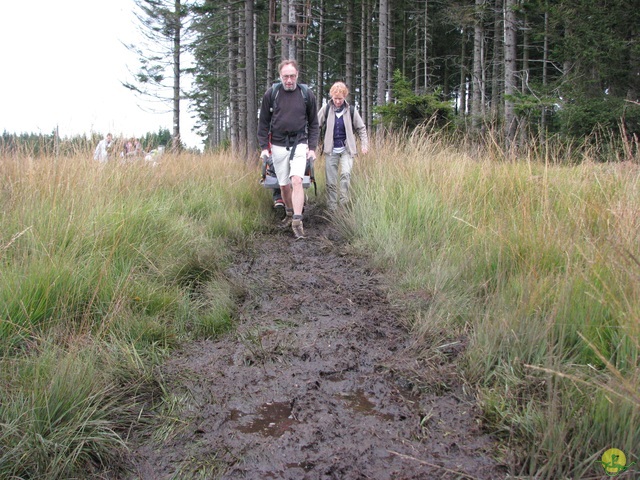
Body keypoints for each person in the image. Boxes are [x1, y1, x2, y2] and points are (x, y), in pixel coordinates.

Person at [258, 59, 319, 239]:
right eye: (286, 76)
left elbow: (314, 124)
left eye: (292, 76)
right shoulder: (272, 94)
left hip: (299, 143)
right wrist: (264, 147)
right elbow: (263, 124)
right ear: (280, 76)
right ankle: (290, 212)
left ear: (297, 75)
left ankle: (297, 221)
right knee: (284, 185)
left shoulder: (306, 94)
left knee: (297, 181)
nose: (289, 80)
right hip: (277, 144)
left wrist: (312, 148)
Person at [317, 82, 369, 212]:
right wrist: (311, 145)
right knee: (331, 181)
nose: (338, 101)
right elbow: (315, 126)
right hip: (331, 149)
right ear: (331, 97)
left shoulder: (351, 110)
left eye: (340, 98)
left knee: (345, 175)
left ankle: (344, 204)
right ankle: (332, 208)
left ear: (344, 96)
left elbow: (361, 128)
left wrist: (364, 145)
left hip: (347, 149)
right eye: (335, 98)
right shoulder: (326, 109)